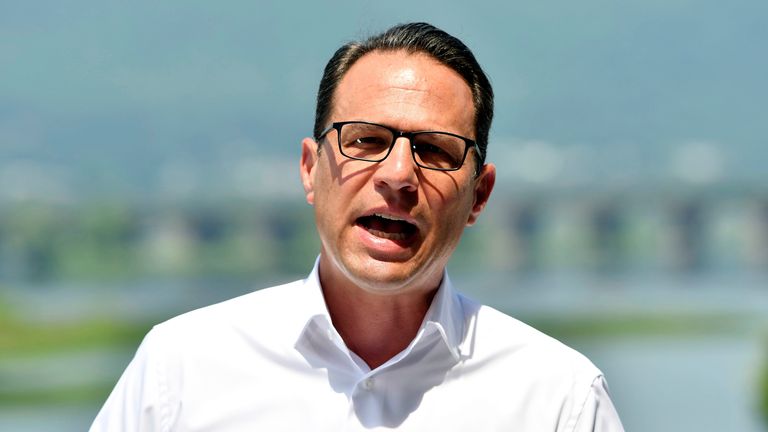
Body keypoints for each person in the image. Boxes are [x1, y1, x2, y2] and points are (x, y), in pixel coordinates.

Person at [91, 22, 624, 431]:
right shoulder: (182, 367)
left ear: (479, 195)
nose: (398, 175)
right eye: (365, 140)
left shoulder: (558, 397)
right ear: (309, 168)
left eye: (435, 150)